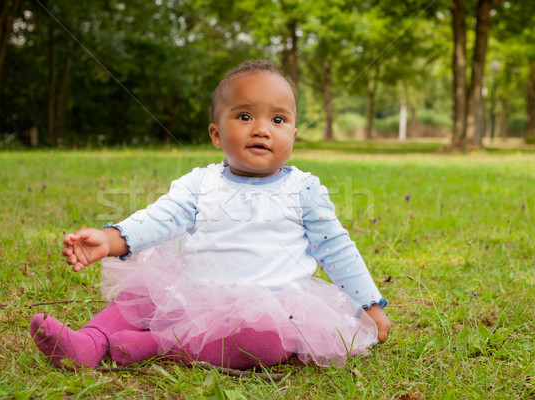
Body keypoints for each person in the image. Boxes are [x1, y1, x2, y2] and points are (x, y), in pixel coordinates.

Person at [30, 60, 391, 370]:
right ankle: (89, 343)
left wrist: (369, 304)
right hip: (196, 296)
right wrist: (109, 240)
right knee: (140, 295)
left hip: (274, 309)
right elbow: (159, 218)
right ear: (217, 135)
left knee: (265, 342)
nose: (262, 128)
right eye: (245, 116)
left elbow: (337, 249)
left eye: (278, 119)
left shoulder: (304, 190)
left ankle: (161, 345)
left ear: (293, 135)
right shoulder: (201, 183)